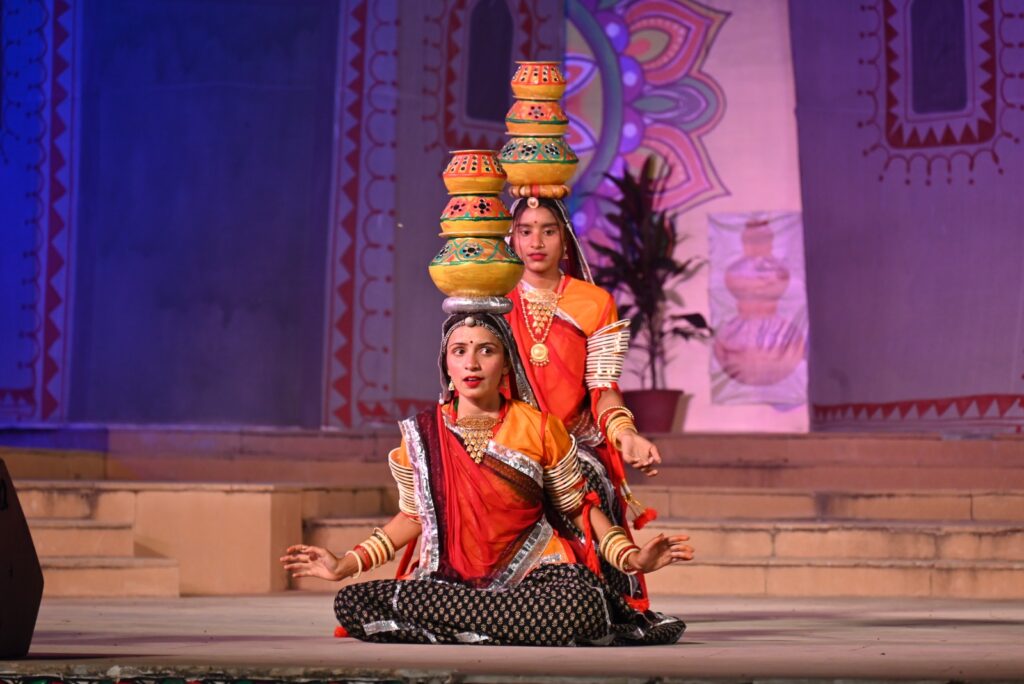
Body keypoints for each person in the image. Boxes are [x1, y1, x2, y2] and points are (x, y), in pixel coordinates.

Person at [280, 312, 694, 646]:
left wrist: (633, 559)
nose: (472, 363)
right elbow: (412, 516)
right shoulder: (422, 433)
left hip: (536, 579)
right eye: (459, 351)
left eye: (486, 350)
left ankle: (455, 628)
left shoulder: (539, 426)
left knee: (580, 605)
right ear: (446, 363)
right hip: (450, 582)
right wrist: (344, 565)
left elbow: (578, 510)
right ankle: (499, 628)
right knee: (352, 602)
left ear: (506, 362)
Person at [505, 197, 667, 609]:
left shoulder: (594, 302)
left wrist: (626, 435)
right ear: (512, 239)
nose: (536, 242)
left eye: (548, 231)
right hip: (507, 439)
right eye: (525, 231)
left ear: (566, 240)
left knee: (586, 476)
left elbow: (602, 387)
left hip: (571, 442)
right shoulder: (495, 300)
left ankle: (596, 598)